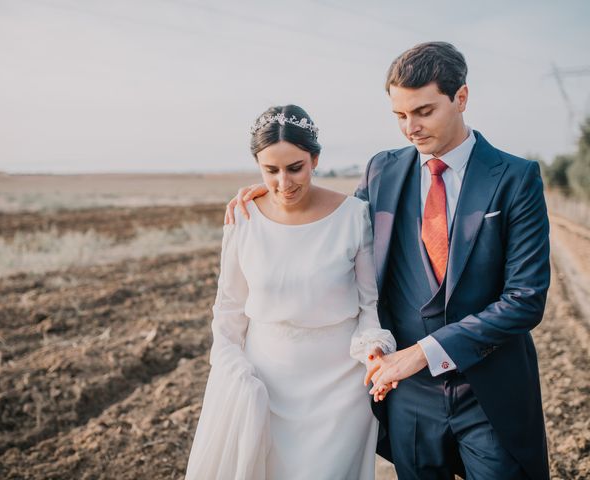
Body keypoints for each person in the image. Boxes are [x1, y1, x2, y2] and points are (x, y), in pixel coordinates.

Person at [226, 42, 550, 480]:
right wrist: (271, 201)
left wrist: (421, 353)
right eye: (399, 115)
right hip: (409, 399)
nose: (410, 128)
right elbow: (333, 237)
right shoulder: (382, 170)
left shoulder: (515, 178)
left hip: (489, 389)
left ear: (462, 98)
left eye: (423, 111)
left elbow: (525, 299)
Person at [186, 104, 396, 480]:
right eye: (271, 171)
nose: (284, 183)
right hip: (264, 383)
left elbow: (369, 305)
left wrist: (373, 348)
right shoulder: (242, 218)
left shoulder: (353, 216)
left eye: (295, 168)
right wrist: (232, 369)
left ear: (315, 159)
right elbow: (229, 308)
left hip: (339, 389)